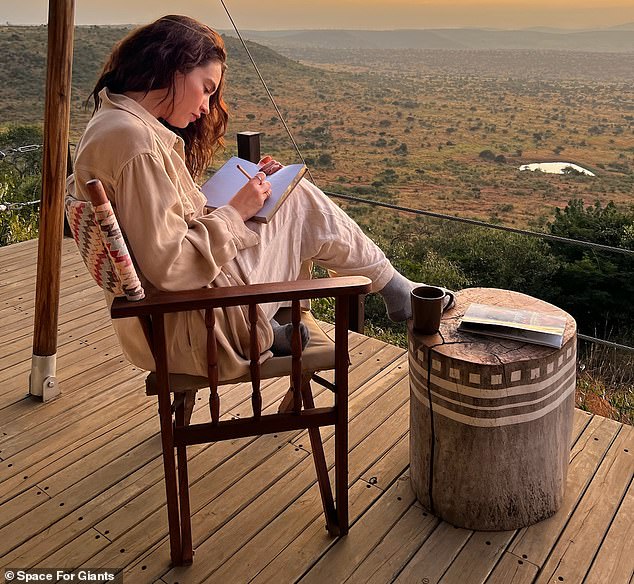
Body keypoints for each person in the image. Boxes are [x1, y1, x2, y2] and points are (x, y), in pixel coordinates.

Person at [67, 14, 453, 380]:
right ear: (172, 66)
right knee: (298, 197)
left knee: (285, 193)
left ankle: (373, 291)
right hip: (198, 325)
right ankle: (378, 291)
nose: (204, 108)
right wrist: (237, 210)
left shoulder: (116, 123)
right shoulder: (134, 143)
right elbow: (173, 267)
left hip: (174, 318)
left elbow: (166, 227)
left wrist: (242, 197)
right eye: (206, 89)